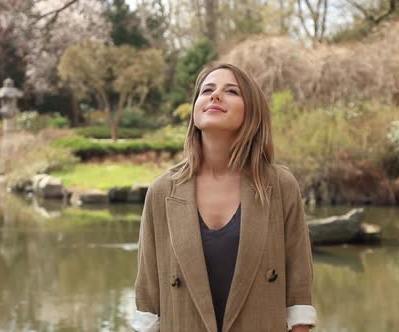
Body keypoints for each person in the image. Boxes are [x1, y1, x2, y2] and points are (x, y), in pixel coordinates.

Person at [131, 63, 316, 332]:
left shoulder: (279, 186)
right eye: (207, 90)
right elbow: (147, 301)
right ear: (195, 110)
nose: (215, 95)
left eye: (231, 91)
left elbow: (299, 293)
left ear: (252, 112)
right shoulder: (162, 191)